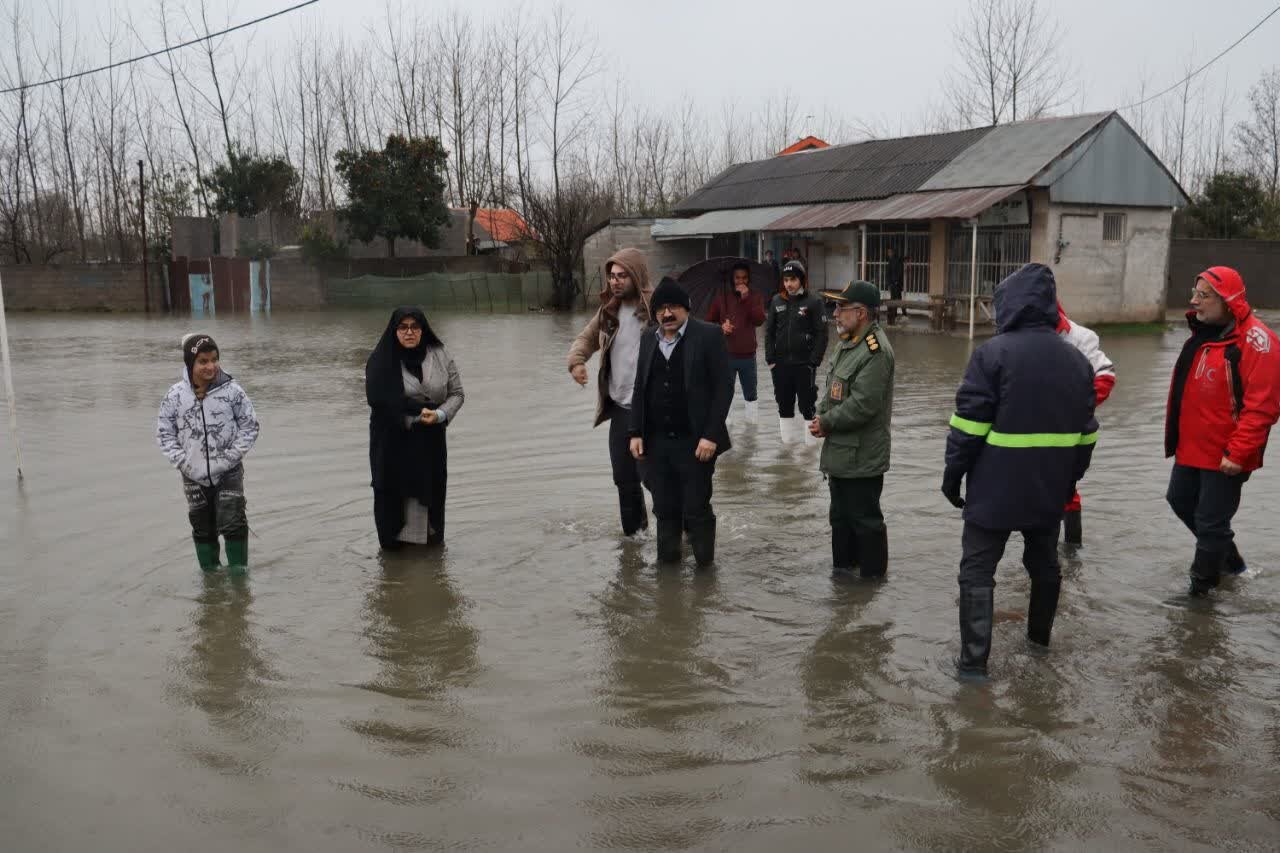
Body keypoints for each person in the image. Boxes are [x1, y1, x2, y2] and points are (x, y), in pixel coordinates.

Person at [942, 264, 1097, 678]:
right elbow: (1086, 436)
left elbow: (968, 427)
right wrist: (1068, 482)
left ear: (1009, 305)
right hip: (1048, 491)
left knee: (977, 571)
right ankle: (1039, 645)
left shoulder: (992, 354)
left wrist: (951, 475)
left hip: (993, 490)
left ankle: (973, 667)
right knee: (1044, 565)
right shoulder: (1078, 362)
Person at [1165, 266, 1280, 596]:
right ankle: (1233, 565)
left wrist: (1238, 453)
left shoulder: (1257, 342)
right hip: (1193, 448)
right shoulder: (1206, 333)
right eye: (1194, 293)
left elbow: (1263, 407)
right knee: (1179, 500)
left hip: (1227, 452)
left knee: (1211, 520)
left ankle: (1200, 598)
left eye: (1203, 295)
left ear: (1228, 300)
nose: (1193, 301)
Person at [629, 277, 733, 567]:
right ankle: (668, 574)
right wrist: (635, 431)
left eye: (673, 307)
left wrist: (711, 435)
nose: (667, 314)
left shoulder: (709, 335)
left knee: (697, 507)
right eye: (661, 309)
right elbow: (639, 387)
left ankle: (705, 573)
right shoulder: (648, 338)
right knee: (664, 509)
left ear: (686, 307)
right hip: (658, 442)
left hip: (696, 441)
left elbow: (724, 388)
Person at [567, 248, 655, 536]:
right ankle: (635, 538)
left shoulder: (656, 309)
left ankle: (676, 532)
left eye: (622, 276)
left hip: (653, 411)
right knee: (624, 478)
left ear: (636, 276)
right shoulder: (609, 310)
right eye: (612, 276)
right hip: (620, 409)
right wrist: (577, 362)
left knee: (654, 480)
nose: (615, 282)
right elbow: (586, 338)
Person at [156, 333, 261, 574]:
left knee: (233, 524)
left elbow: (250, 426)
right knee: (202, 527)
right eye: (203, 361)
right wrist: (183, 462)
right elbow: (164, 434)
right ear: (190, 363)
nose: (210, 366)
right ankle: (211, 581)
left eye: (214, 359)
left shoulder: (233, 391)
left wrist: (230, 457)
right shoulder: (174, 396)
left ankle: (238, 579)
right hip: (192, 475)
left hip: (229, 472)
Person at [811, 281, 895, 580]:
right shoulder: (847, 344)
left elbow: (864, 404)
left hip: (862, 456)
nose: (835, 314)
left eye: (840, 308)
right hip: (840, 453)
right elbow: (832, 390)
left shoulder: (876, 351)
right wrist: (821, 415)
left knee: (866, 522)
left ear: (860, 313)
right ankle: (843, 582)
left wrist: (828, 422)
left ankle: (872, 586)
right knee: (840, 519)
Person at [366, 307, 464, 550]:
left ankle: (429, 562)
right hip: (393, 446)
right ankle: (395, 570)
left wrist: (441, 414)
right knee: (396, 509)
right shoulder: (381, 360)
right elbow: (379, 400)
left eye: (415, 327)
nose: (409, 332)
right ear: (394, 330)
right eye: (403, 327)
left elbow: (457, 394)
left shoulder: (440, 354)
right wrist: (418, 415)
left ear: (423, 329)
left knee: (431, 504)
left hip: (432, 444)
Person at [1057, 301, 1117, 544]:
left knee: (1067, 490)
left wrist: (1077, 408)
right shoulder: (1013, 335)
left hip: (1071, 428)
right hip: (1027, 426)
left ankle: (1071, 551)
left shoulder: (1080, 336)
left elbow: (1105, 375)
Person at [765, 259, 828, 445]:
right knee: (784, 405)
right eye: (785, 280)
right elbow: (769, 332)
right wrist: (770, 359)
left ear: (802, 279)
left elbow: (822, 334)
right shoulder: (776, 300)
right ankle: (788, 450)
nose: (789, 284)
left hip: (804, 365)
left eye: (792, 279)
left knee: (807, 406)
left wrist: (813, 361)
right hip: (780, 365)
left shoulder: (814, 301)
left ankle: (810, 451)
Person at [706, 262, 767, 423]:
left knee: (751, 395)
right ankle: (727, 434)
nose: (741, 281)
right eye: (737, 278)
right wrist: (721, 327)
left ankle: (751, 432)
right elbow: (708, 323)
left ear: (749, 279)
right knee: (726, 394)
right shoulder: (721, 298)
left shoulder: (755, 296)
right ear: (732, 279)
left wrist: (746, 299)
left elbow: (759, 320)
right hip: (725, 355)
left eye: (744, 278)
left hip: (748, 355)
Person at [885, 246, 906, 326]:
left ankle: (904, 314)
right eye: (888, 252)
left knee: (898, 299)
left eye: (890, 252)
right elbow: (888, 273)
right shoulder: (890, 260)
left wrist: (896, 281)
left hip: (896, 284)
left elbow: (899, 272)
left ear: (893, 252)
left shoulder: (897, 260)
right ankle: (895, 314)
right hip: (892, 284)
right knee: (893, 299)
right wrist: (889, 283)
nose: (889, 254)